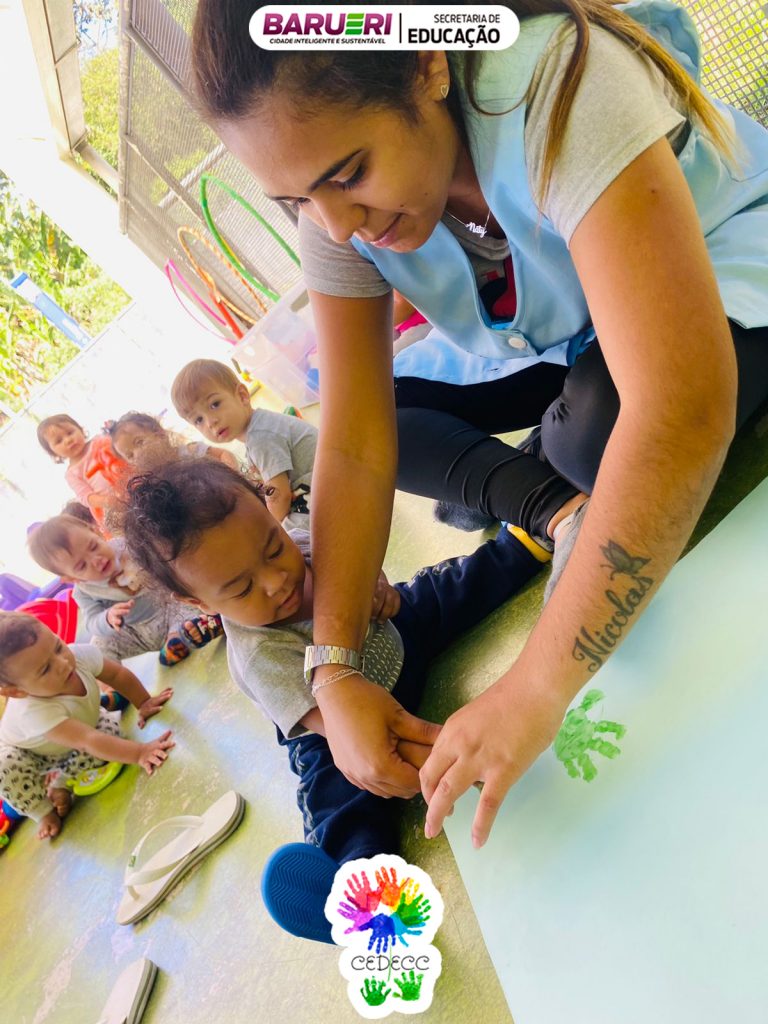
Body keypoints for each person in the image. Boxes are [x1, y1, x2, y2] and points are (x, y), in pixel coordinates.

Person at [190, 0, 768, 847]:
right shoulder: (337, 216)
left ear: (428, 66)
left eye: (349, 173)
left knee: (603, 434)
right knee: (392, 407)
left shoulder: (558, 84)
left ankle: (560, 463)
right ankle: (558, 501)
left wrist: (536, 687)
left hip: (722, 273)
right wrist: (334, 667)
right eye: (296, 199)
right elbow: (349, 440)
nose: (337, 225)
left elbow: (681, 408)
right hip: (570, 333)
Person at [116, 458, 544, 941]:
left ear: (269, 510)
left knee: (444, 589)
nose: (276, 581)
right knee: (347, 806)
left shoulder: (304, 538)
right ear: (200, 604)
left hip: (390, 637)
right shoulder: (259, 657)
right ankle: (361, 904)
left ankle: (526, 540)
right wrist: (448, 759)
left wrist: (377, 586)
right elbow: (352, 737)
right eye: (242, 588)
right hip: (335, 733)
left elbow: (357, 558)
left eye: (273, 548)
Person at [0, 613, 174, 839]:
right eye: (45, 670)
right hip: (28, 754)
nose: (63, 663)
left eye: (58, 647)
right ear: (16, 692)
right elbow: (87, 740)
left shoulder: (78, 655)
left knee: (111, 734)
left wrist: (143, 702)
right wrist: (140, 753)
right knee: (4, 768)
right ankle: (43, 812)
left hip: (73, 738)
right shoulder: (33, 713)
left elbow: (117, 674)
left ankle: (61, 783)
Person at [27, 513, 223, 665]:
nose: (96, 560)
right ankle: (114, 690)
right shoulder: (83, 592)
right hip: (136, 632)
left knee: (188, 596)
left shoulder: (128, 545)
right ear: (71, 578)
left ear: (96, 532)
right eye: (82, 566)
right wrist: (107, 618)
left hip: (170, 607)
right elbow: (92, 623)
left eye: (93, 547)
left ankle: (175, 641)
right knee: (98, 647)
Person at [171, 359, 318, 529]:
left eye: (214, 404)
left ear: (242, 395)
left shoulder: (260, 436)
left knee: (285, 536)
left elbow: (279, 496)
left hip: (321, 489)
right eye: (198, 419)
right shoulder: (258, 428)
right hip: (312, 488)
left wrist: (268, 525)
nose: (210, 422)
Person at [37, 414, 128, 523]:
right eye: (59, 441)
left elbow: (125, 453)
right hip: (114, 509)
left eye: (70, 433)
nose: (68, 440)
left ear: (81, 429)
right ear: (53, 453)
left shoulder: (101, 441)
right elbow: (86, 497)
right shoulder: (72, 474)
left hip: (132, 484)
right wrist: (109, 502)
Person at [107, 411, 240, 472]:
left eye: (139, 442)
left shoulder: (188, 451)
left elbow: (223, 454)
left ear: (159, 434)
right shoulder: (154, 481)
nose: (137, 454)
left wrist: (233, 474)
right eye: (130, 456)